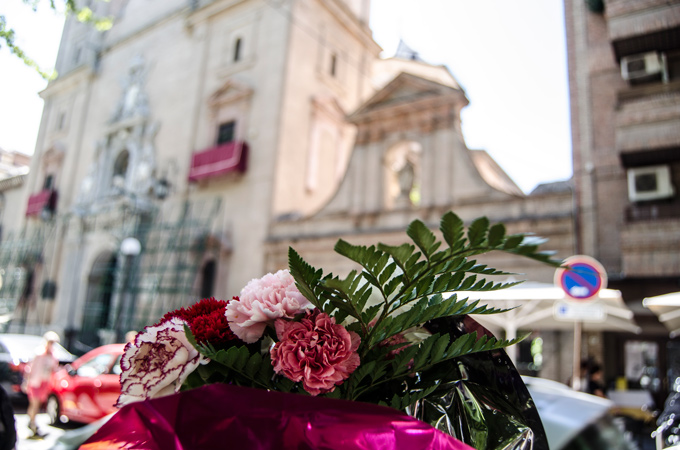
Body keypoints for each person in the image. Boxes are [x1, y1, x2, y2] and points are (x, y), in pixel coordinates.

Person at [25, 331, 60, 438]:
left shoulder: (52, 356)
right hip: (36, 382)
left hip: (44, 383)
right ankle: (32, 423)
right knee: (34, 404)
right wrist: (27, 382)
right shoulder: (40, 354)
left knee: (38, 404)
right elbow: (31, 369)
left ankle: (32, 422)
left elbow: (53, 369)